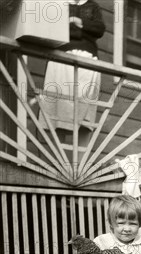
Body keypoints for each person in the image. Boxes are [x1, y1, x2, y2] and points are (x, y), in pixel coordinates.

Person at [40, 0, 105, 149]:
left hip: (87, 60)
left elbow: (99, 29)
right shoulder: (58, 4)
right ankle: (59, 164)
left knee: (84, 113)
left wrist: (78, 22)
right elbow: (50, 27)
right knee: (60, 109)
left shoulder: (91, 5)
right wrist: (82, 31)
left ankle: (81, 167)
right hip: (62, 58)